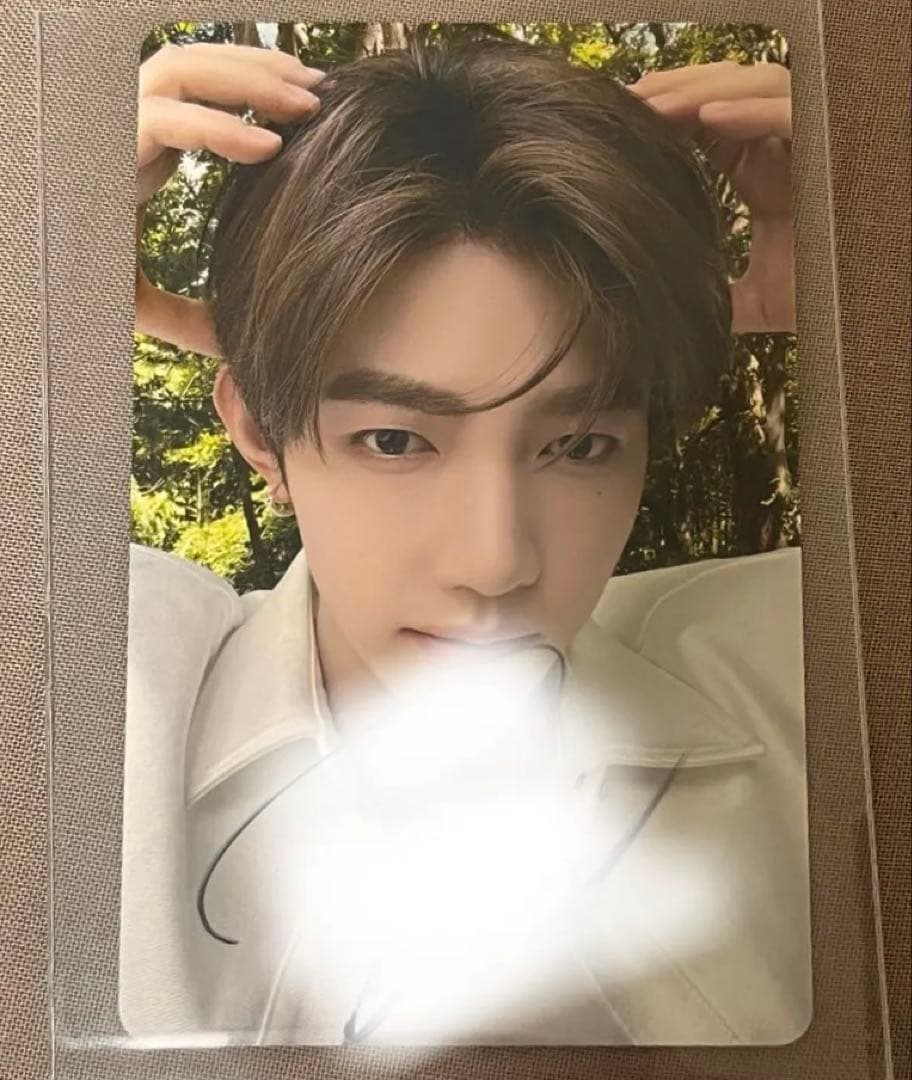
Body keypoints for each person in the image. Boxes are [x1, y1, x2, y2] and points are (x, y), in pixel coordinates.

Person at [122, 33, 809, 1047]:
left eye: (579, 444)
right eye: (396, 440)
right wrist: (35, 263)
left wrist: (868, 295)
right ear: (261, 432)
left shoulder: (795, 673)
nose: (496, 563)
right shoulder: (120, 697)